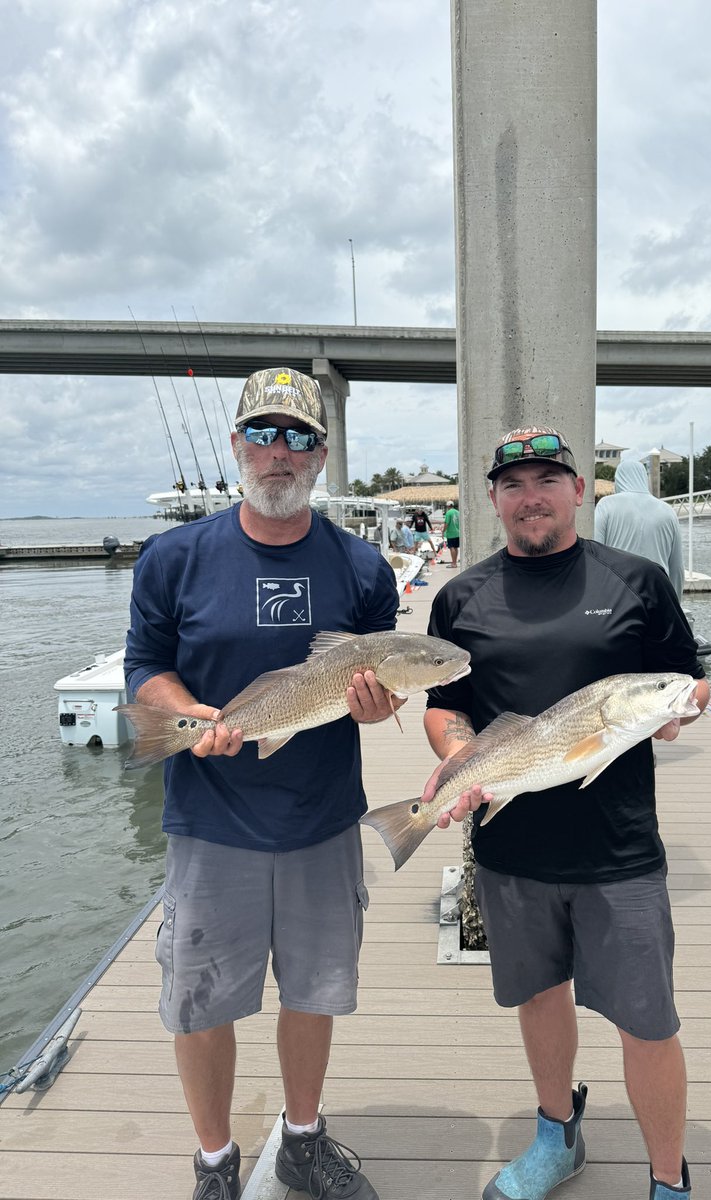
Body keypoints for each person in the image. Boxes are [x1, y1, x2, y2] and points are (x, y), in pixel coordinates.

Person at [125, 367, 399, 1200]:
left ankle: (302, 1141)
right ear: (237, 444)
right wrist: (186, 714)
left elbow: (382, 686)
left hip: (322, 820)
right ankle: (215, 1160)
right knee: (202, 1001)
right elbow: (145, 668)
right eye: (264, 433)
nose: (280, 452)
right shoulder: (173, 558)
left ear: (321, 455)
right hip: (211, 824)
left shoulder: (363, 567)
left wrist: (379, 705)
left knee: (313, 992)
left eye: (299, 437)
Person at [422, 426, 710, 1200]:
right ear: (491, 499)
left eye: (547, 480)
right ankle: (558, 1136)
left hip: (619, 848)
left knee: (648, 1019)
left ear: (579, 491)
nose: (532, 497)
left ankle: (669, 1178)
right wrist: (458, 755)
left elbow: (687, 679)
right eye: (513, 484)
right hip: (510, 846)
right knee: (539, 997)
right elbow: (445, 706)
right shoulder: (460, 597)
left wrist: (679, 709)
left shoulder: (637, 581)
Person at [594, 459, 685, 599]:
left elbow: (595, 556)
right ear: (644, 479)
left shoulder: (606, 505)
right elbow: (677, 568)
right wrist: (674, 604)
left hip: (618, 597)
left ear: (618, 480)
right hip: (657, 596)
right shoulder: (668, 511)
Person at [442, 501, 461, 567]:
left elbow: (446, 523)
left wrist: (443, 531)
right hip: (458, 533)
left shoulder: (448, 513)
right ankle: (455, 563)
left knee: (451, 547)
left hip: (451, 533)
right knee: (455, 548)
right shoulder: (458, 512)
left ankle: (453, 563)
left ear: (448, 506)